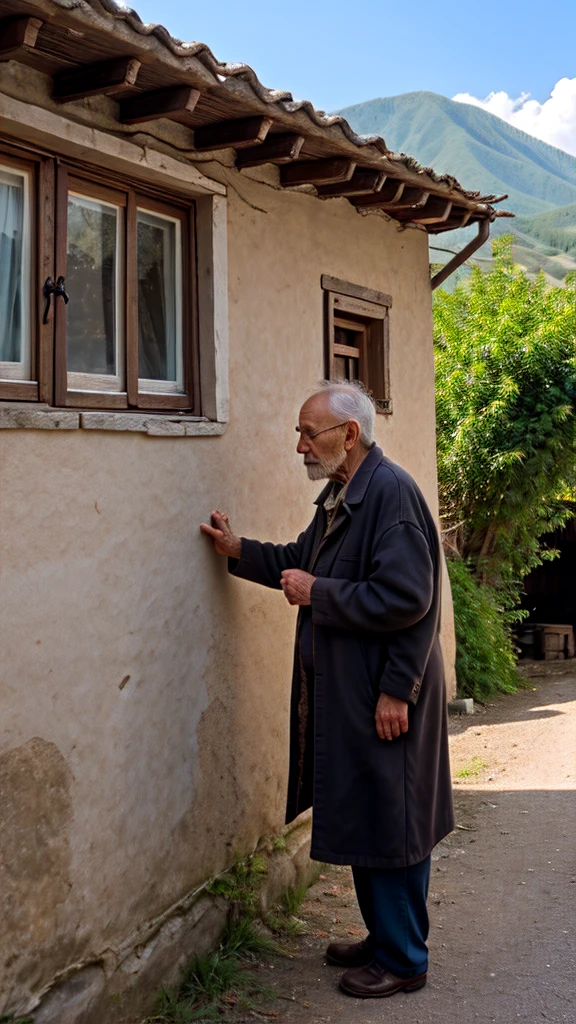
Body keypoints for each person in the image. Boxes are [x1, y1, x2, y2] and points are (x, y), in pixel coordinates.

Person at [200, 381, 453, 999]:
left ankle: (404, 959)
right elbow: (300, 559)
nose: (299, 446)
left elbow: (408, 600)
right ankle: (385, 936)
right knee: (373, 814)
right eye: (299, 432)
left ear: (349, 434)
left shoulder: (389, 496)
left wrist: (397, 689)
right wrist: (240, 552)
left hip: (386, 694)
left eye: (308, 433)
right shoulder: (344, 494)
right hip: (360, 691)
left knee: (392, 823)